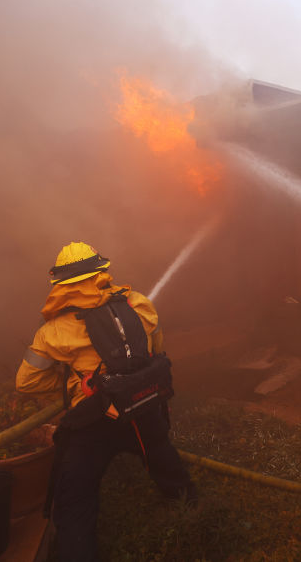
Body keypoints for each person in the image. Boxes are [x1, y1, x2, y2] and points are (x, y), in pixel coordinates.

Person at [16, 241, 196, 562]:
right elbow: (154, 348)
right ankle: (188, 506)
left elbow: (27, 381)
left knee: (75, 500)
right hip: (140, 406)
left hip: (91, 419)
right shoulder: (139, 305)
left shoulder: (52, 332)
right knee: (160, 454)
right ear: (102, 272)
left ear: (60, 285)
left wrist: (72, 385)